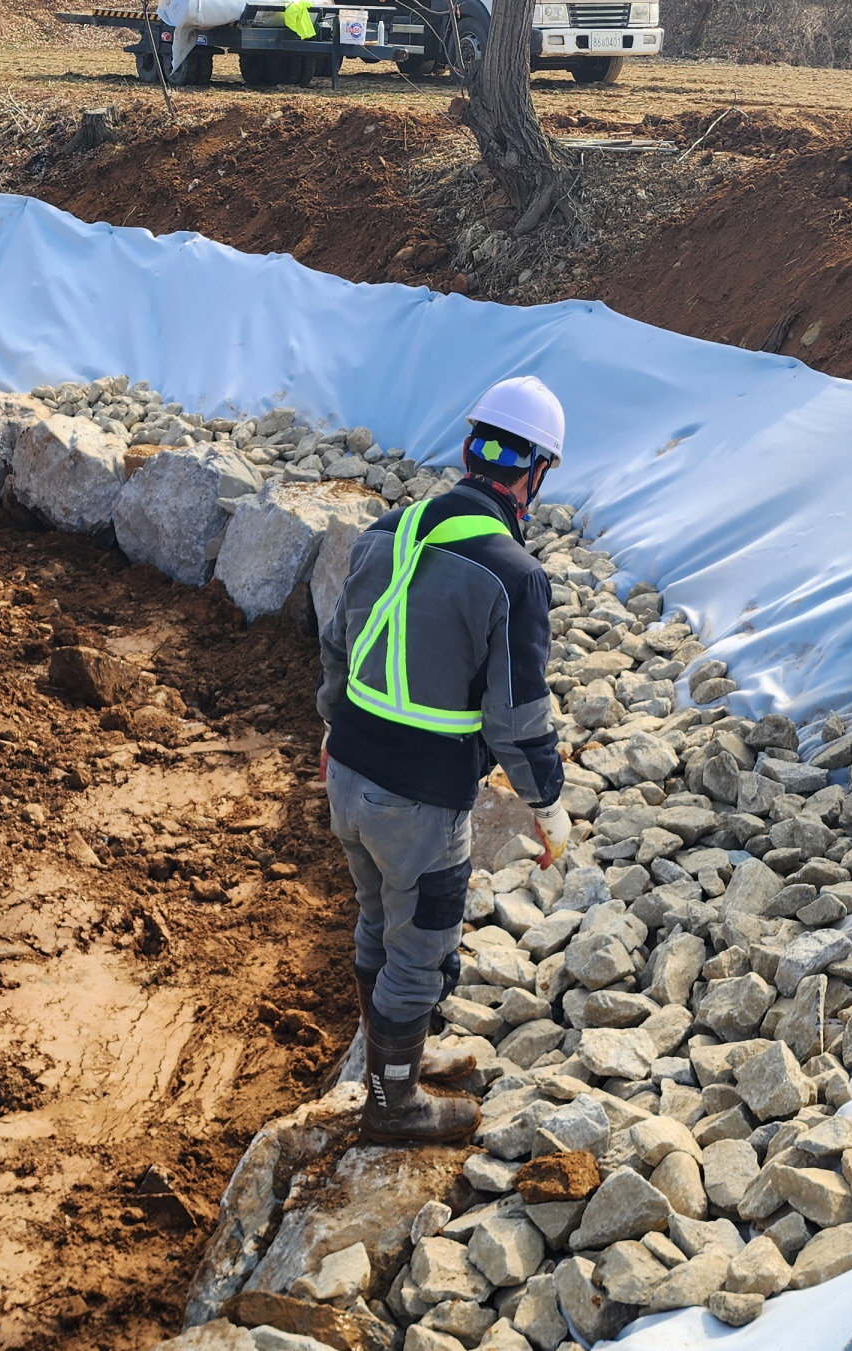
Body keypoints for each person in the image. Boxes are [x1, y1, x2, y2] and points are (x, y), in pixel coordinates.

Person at [316, 375, 572, 1144]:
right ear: (535, 474)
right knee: (420, 951)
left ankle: (386, 1065)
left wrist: (332, 733)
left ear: (469, 450)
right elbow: (517, 717)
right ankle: (394, 1106)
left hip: (348, 774)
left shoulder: (387, 532)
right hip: (419, 802)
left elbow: (337, 644)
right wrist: (547, 803)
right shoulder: (514, 575)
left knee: (376, 921)